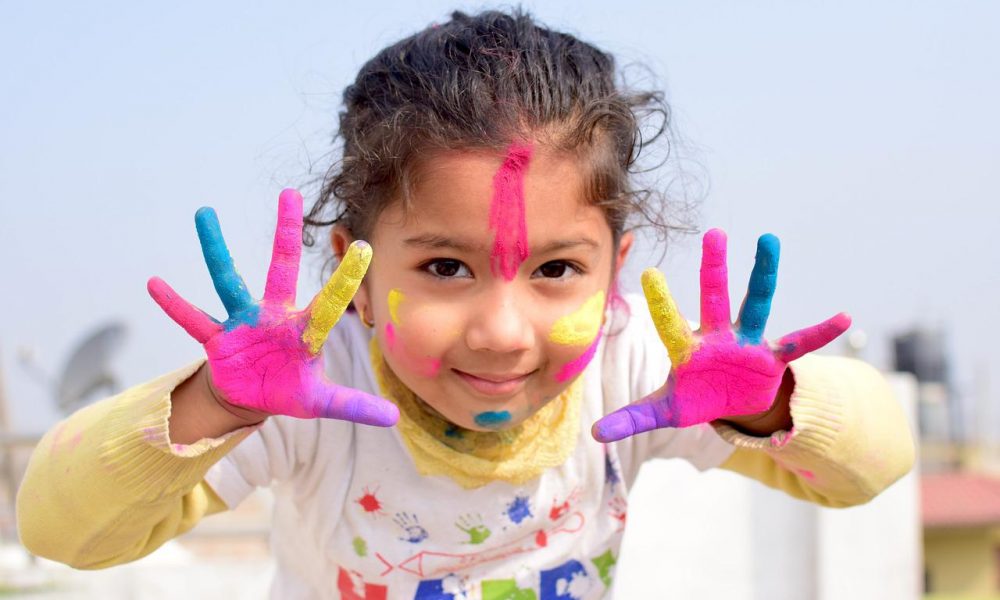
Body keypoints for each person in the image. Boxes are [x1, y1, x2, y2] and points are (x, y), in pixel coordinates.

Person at [16, 9, 914, 599]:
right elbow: (61, 531)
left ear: (616, 270)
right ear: (355, 275)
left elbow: (875, 464)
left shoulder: (636, 368)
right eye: (446, 267)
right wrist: (218, 403)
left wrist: (769, 404)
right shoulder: (304, 393)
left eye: (558, 270)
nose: (502, 330)